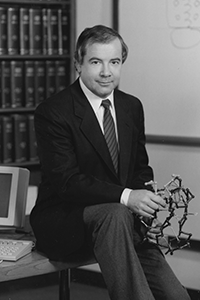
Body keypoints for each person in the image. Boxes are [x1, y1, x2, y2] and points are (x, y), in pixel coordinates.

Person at [30, 25, 190, 300]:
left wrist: (145, 208)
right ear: (78, 65)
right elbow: (67, 183)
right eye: (96, 62)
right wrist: (128, 198)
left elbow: (140, 169)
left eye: (114, 62)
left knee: (177, 296)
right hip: (67, 221)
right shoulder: (53, 111)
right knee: (115, 214)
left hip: (121, 222)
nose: (106, 72)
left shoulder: (131, 106)